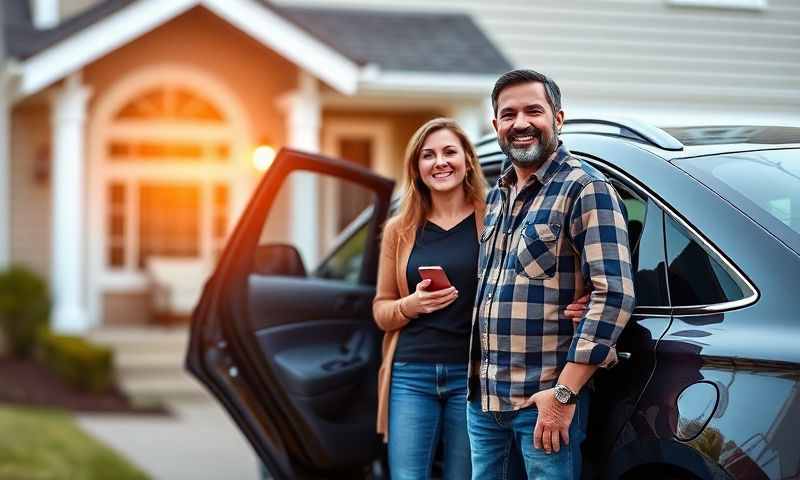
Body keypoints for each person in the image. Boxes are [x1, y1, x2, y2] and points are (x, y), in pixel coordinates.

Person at [467, 69, 636, 480]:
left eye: (533, 111)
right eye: (508, 114)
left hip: (544, 404)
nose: (520, 123)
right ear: (496, 126)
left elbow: (614, 294)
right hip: (485, 403)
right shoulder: (498, 194)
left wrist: (562, 395)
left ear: (558, 119)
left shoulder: (584, 188)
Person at [372, 118, 487, 479]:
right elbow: (381, 310)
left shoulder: (492, 218)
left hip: (471, 376)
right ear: (416, 168)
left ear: (467, 160)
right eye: (428, 155)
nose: (440, 162)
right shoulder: (399, 228)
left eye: (450, 152)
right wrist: (412, 305)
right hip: (411, 374)